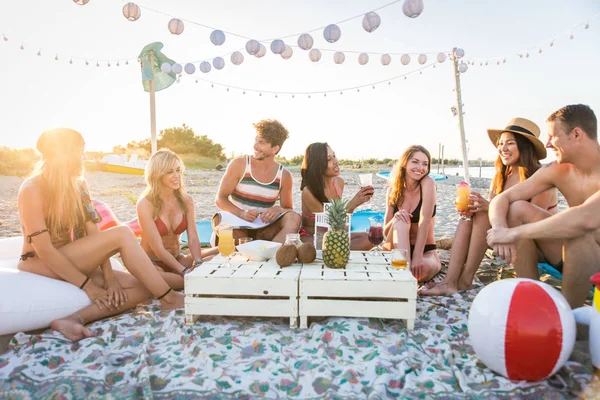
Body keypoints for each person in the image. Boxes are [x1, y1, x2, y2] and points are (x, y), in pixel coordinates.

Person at [17, 128, 184, 341]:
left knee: (140, 288)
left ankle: (74, 319)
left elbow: (94, 234)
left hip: (72, 256)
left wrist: (109, 277)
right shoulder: (32, 188)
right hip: (39, 261)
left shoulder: (78, 184)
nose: (84, 157)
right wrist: (89, 288)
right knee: (123, 233)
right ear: (64, 154)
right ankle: (169, 299)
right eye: (80, 151)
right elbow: (45, 250)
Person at [421, 118, 558, 296]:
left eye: (510, 143)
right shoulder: (502, 175)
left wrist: (487, 207)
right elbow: (491, 211)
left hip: (536, 245)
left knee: (483, 214)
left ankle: (464, 279)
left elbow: (530, 224)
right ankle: (451, 281)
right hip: (504, 236)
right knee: (469, 217)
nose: (503, 148)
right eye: (500, 143)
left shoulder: (540, 176)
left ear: (525, 146)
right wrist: (472, 207)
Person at [487, 104, 600, 308]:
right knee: (518, 208)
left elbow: (585, 218)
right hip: (575, 255)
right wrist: (499, 228)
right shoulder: (559, 170)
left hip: (589, 248)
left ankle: (567, 317)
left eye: (552, 136)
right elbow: (501, 199)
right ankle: (532, 301)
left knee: (579, 234)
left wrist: (514, 234)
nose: (547, 144)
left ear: (576, 134)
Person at [137, 149, 216, 290]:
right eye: (169, 172)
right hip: (152, 263)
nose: (176, 176)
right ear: (157, 174)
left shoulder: (185, 200)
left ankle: (185, 274)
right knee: (182, 282)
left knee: (222, 254)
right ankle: (179, 277)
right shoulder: (145, 204)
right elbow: (157, 249)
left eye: (178, 170)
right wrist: (184, 271)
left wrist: (197, 263)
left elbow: (192, 237)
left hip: (177, 258)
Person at [214, 119, 301, 243]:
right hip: (237, 225)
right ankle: (248, 251)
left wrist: (278, 209)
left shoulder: (284, 175)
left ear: (275, 149)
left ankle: (273, 253)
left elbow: (287, 208)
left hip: (263, 227)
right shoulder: (239, 165)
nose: (255, 146)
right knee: (220, 220)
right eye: (256, 140)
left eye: (262, 142)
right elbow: (220, 199)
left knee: (294, 217)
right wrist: (242, 213)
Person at [299, 142, 374, 250]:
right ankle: (339, 252)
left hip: (335, 235)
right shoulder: (308, 192)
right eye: (328, 159)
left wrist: (358, 202)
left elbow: (341, 224)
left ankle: (339, 251)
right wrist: (352, 205)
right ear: (318, 165)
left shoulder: (339, 183)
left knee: (368, 238)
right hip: (314, 237)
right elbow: (329, 223)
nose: (336, 161)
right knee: (319, 248)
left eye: (334, 156)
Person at [382, 145, 440, 282]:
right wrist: (396, 219)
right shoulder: (393, 190)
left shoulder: (428, 183)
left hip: (424, 250)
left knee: (421, 271)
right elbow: (385, 232)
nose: (420, 168)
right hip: (395, 249)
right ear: (404, 163)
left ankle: (403, 273)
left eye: (425, 164)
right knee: (401, 220)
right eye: (415, 162)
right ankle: (404, 277)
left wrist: (418, 256)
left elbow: (424, 221)